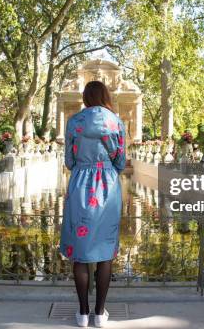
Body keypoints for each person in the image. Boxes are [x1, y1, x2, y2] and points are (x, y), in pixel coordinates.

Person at [60, 81, 126, 328]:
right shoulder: (115, 122)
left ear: (85, 97)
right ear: (105, 95)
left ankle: (82, 313)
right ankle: (99, 314)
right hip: (107, 187)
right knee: (105, 253)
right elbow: (120, 161)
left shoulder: (74, 122)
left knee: (80, 253)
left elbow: (69, 160)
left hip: (80, 185)